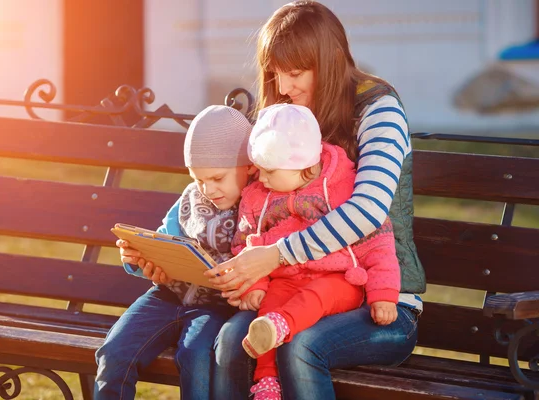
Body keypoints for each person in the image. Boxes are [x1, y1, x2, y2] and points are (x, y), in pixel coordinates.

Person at [206, 2, 426, 399]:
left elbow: (368, 211)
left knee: (300, 345)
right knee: (231, 342)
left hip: (379, 301)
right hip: (290, 291)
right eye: (276, 73)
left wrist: (275, 255)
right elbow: (249, 201)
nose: (284, 86)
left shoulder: (379, 111)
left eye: (295, 73)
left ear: (330, 62)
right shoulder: (287, 116)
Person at [232, 103, 401, 399]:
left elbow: (379, 244)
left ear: (306, 169)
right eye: (259, 169)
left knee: (316, 296)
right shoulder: (259, 197)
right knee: (268, 311)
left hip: (340, 280)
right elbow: (247, 244)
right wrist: (256, 284)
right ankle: (267, 381)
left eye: (269, 171)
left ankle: (283, 324)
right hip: (286, 280)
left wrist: (383, 294)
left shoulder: (343, 188)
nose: (261, 178)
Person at [93, 105, 256, 400]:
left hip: (216, 308)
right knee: (114, 352)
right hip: (167, 296)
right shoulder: (189, 199)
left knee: (196, 357)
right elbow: (166, 240)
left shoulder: (256, 205)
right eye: (199, 179)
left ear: (249, 166)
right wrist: (142, 261)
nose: (208, 189)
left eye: (217, 178)